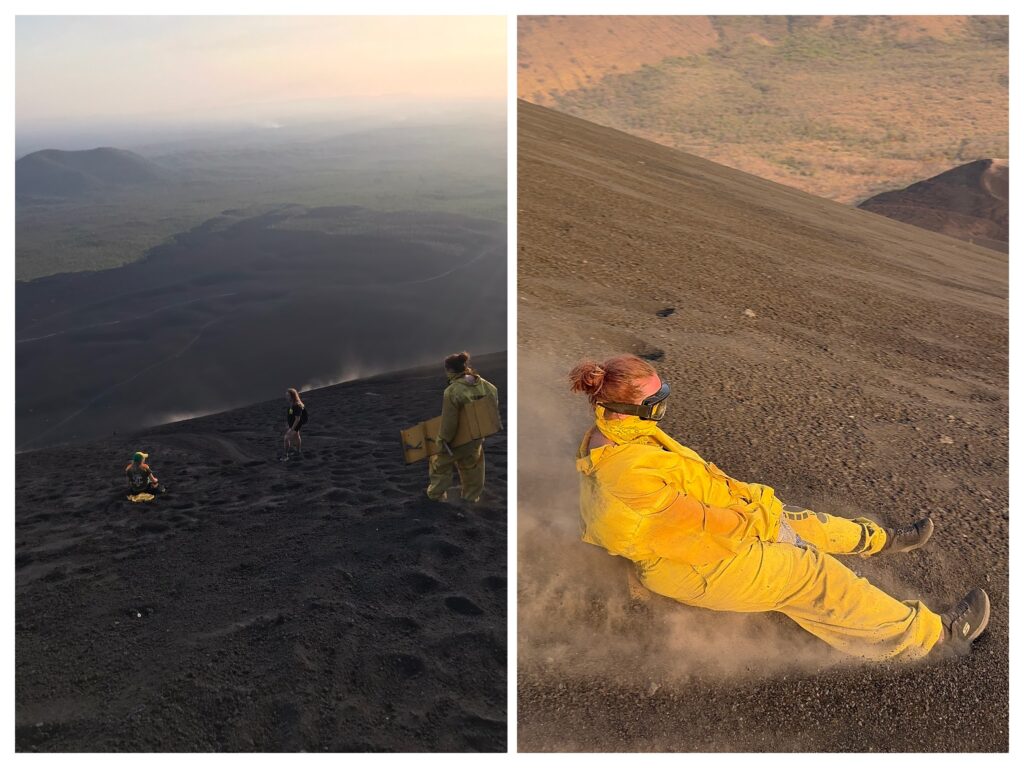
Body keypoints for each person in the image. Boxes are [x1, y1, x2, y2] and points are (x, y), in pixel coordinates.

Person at [569, 353, 990, 660]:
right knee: (810, 573)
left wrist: (767, 513)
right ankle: (935, 638)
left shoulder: (621, 434)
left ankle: (878, 540)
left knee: (799, 520)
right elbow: (708, 523)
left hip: (704, 536)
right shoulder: (627, 470)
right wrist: (763, 523)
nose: (664, 401)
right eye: (657, 396)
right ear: (628, 408)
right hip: (693, 563)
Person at [426, 351, 500, 503]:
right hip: (477, 436)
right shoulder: (485, 385)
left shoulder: (452, 391)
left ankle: (436, 496)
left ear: (450, 370)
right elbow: (493, 402)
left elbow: (449, 420)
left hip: (459, 439)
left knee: (440, 464)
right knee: (473, 467)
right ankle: (471, 497)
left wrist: (443, 440)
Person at [283, 388, 308, 461]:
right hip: (293, 423)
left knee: (286, 438)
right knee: (297, 436)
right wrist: (288, 424)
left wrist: (292, 429)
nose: (286, 397)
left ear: (292, 396)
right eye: (286, 395)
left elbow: (297, 419)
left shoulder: (297, 405)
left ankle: (286, 456)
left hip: (297, 424)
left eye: (288, 395)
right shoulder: (292, 403)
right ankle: (298, 451)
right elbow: (291, 414)